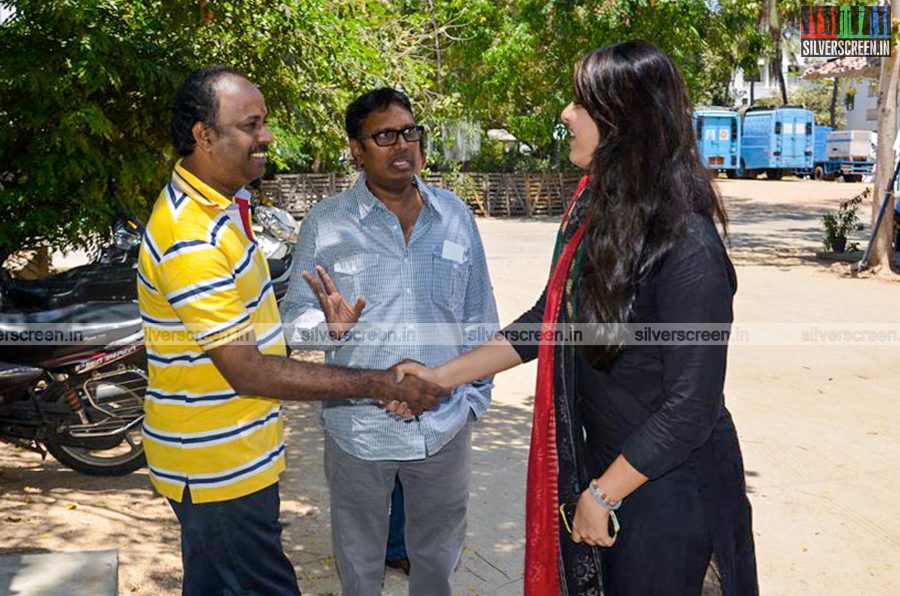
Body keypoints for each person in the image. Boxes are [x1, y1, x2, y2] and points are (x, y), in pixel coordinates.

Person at [396, 42, 759, 595]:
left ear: (624, 120)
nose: (566, 114)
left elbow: (692, 407)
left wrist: (603, 494)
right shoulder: (599, 212)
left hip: (669, 492)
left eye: (580, 103)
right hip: (616, 472)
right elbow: (548, 320)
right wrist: (439, 378)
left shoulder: (686, 241)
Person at [137, 67, 446, 596]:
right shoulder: (190, 234)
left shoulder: (224, 208)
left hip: (229, 456)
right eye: (251, 124)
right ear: (204, 136)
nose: (267, 136)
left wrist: (325, 334)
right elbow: (246, 369)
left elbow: (240, 329)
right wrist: (378, 383)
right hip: (215, 467)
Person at [280, 87, 499, 596]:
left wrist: (471, 403)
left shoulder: (456, 216)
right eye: (385, 135)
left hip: (443, 425)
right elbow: (292, 320)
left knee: (437, 563)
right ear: (357, 149)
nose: (403, 145)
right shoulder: (327, 223)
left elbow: (479, 319)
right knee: (358, 566)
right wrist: (327, 328)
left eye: (410, 132)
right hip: (357, 426)